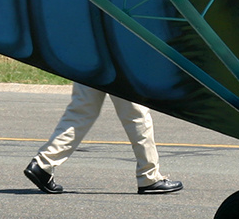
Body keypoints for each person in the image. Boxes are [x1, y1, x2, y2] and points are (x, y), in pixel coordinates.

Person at [23, 83, 183, 195]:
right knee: (136, 112)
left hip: (87, 48)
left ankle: (43, 165)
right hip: (117, 48)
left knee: (81, 111)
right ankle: (149, 177)